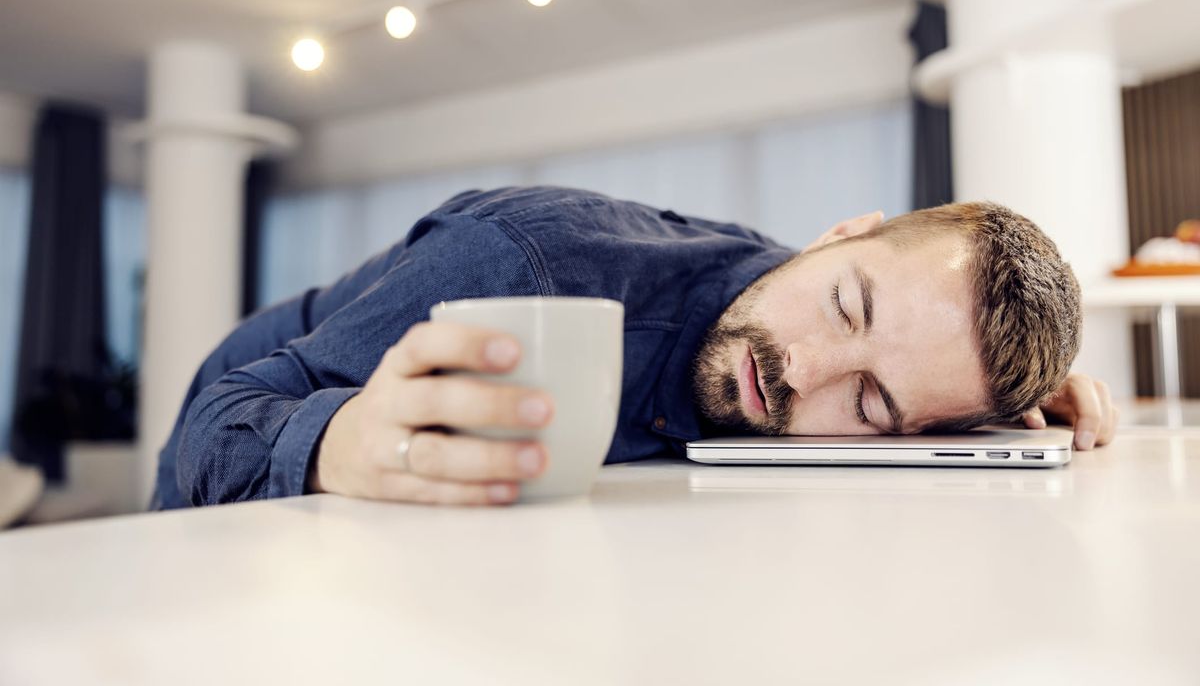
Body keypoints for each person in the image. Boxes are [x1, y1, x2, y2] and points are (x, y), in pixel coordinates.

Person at [151, 186, 1118, 510]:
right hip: (259, 385)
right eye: (843, 307)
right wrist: (335, 444)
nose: (803, 371)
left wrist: (1000, 398)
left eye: (869, 406)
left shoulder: (913, 350)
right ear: (836, 235)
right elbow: (218, 421)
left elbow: (919, 358)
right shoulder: (525, 264)